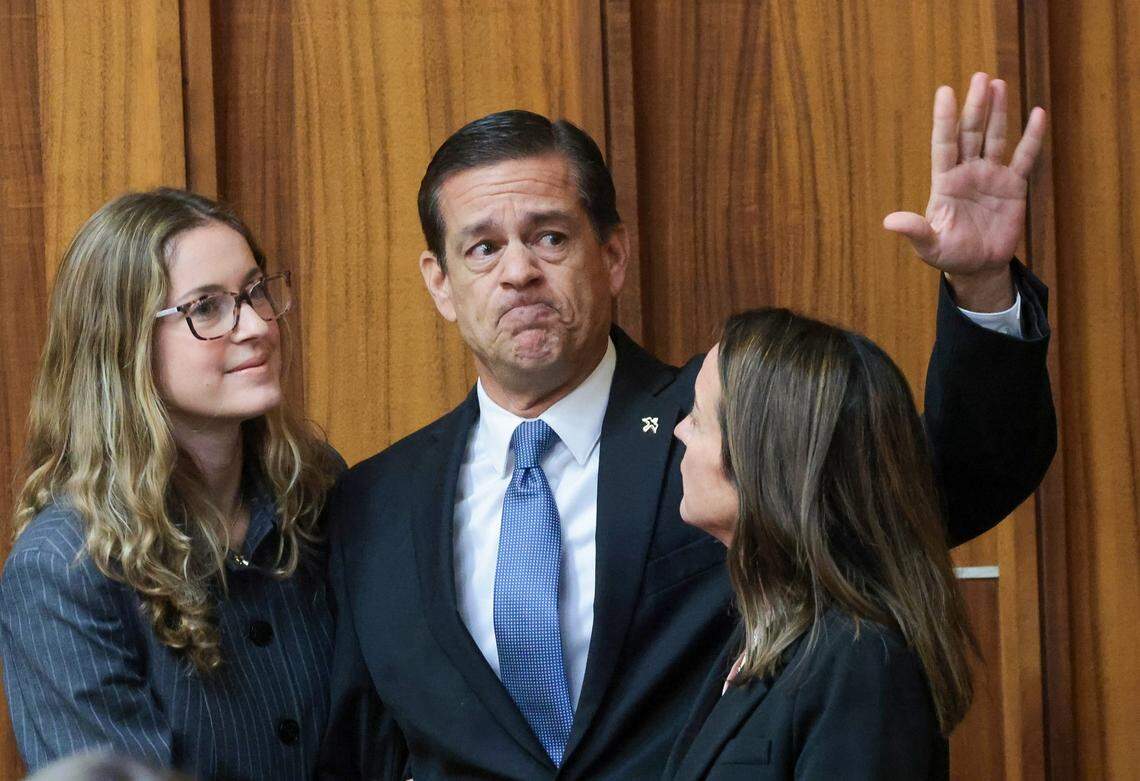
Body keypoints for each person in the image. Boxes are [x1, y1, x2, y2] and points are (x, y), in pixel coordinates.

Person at [319, 72, 1056, 779]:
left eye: (548, 237)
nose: (518, 272)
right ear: (441, 283)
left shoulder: (717, 425)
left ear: (612, 255)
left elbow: (946, 487)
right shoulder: (375, 504)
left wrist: (982, 287)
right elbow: (363, 748)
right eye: (483, 248)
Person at [1, 189, 341, 780]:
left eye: (256, 290)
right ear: (123, 343)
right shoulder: (64, 566)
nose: (258, 324)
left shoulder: (314, 485)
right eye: (206, 308)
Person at [665, 309, 975, 780]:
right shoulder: (767, 632)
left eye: (700, 418)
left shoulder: (863, 661)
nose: (678, 430)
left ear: (761, 460)